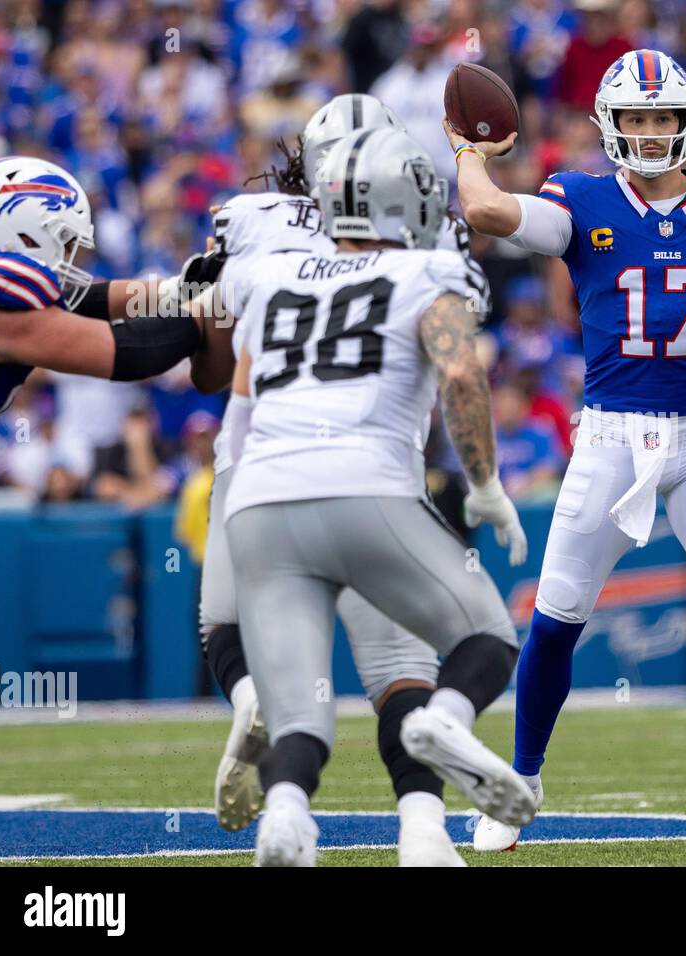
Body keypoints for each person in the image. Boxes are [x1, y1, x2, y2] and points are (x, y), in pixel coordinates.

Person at [449, 48, 686, 853]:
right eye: (635, 119)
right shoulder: (581, 199)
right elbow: (487, 215)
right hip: (613, 435)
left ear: (685, 124)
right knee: (554, 620)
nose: (650, 134)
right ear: (609, 125)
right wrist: (467, 152)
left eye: (662, 119)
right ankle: (520, 786)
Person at [223, 127, 533, 867]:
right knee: (486, 636)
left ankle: (288, 816)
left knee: (297, 709)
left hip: (260, 502)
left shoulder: (268, 271)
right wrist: (485, 485)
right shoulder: (429, 271)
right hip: (365, 487)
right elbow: (460, 375)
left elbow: (198, 328)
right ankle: (445, 722)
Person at [0, 156, 218, 436]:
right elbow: (133, 352)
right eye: (64, 241)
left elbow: (89, 300)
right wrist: (209, 304)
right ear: (24, 235)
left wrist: (182, 288)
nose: (68, 256)